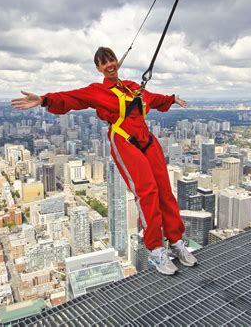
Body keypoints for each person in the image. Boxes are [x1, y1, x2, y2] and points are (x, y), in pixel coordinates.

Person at [11, 47, 197, 275]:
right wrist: (44, 100)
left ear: (117, 62)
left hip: (147, 140)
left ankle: (176, 242)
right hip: (124, 141)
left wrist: (171, 99)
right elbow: (72, 97)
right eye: (103, 62)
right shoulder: (97, 91)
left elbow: (152, 98)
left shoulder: (132, 87)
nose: (109, 64)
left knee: (165, 191)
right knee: (147, 191)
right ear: (98, 68)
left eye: (111, 60)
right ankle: (156, 250)